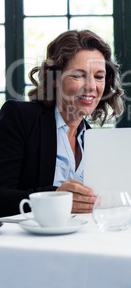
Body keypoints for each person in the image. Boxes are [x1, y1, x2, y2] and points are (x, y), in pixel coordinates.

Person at [0, 29, 124, 217]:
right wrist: (54, 198)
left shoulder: (93, 140)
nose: (91, 86)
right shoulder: (20, 117)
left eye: (99, 76)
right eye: (78, 75)